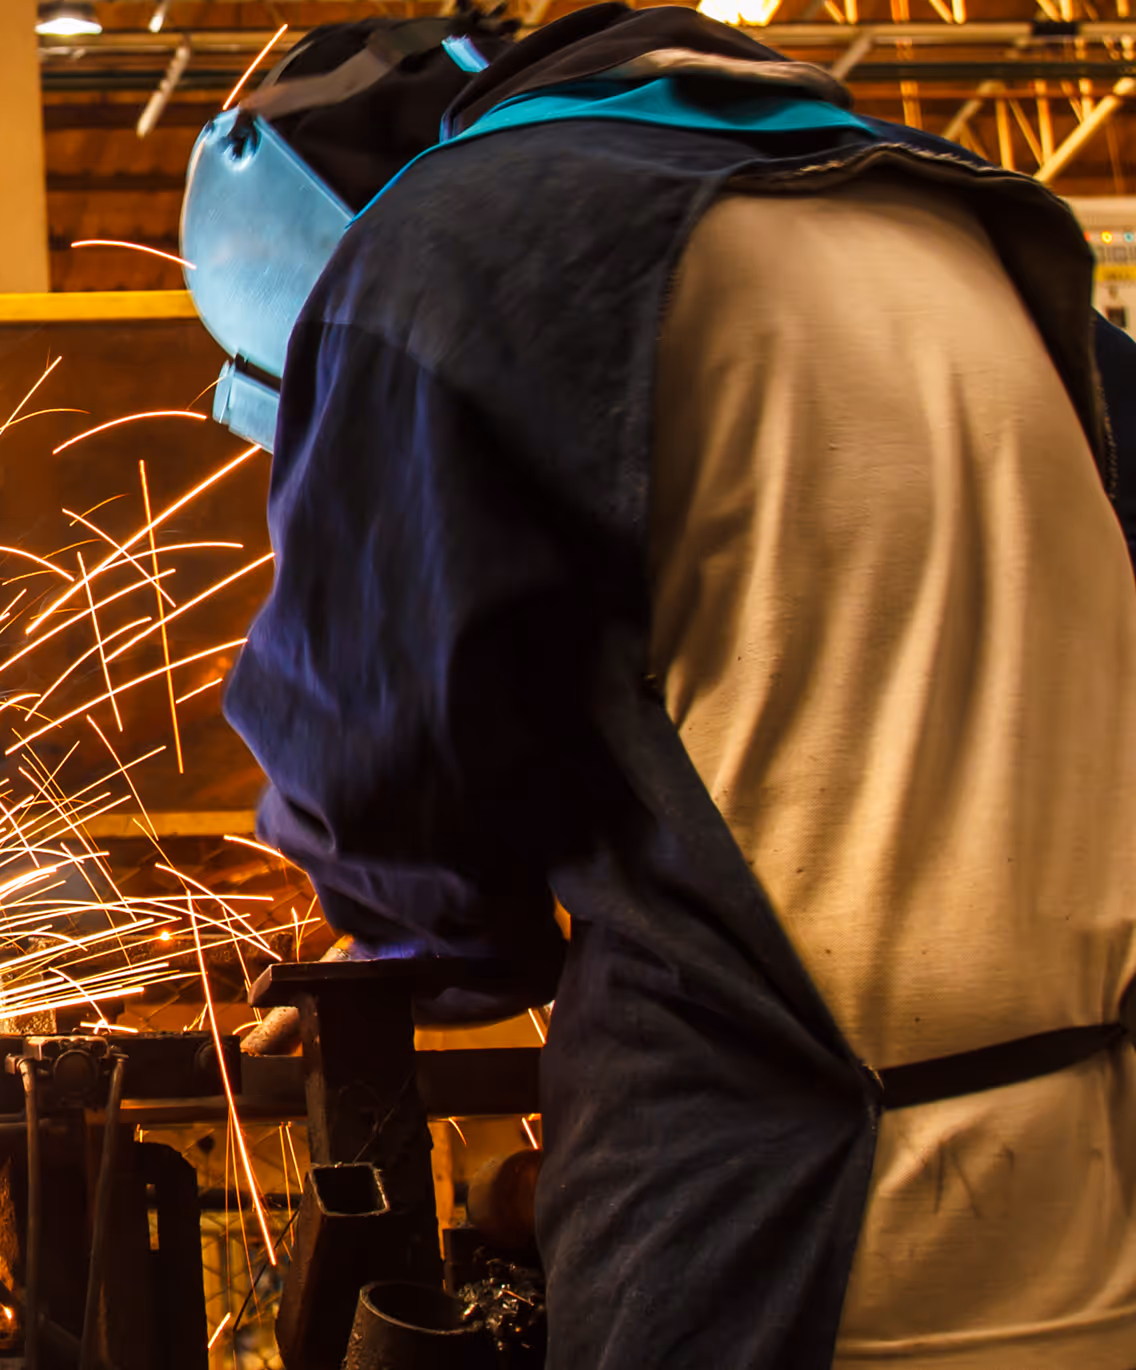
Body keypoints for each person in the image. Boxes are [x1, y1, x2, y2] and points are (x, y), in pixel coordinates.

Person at [185, 6, 1136, 1367]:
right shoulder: (945, 211)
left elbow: (383, 764)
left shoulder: (449, 243)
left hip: (791, 1235)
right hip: (1102, 1198)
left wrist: (419, 945)